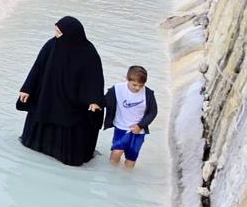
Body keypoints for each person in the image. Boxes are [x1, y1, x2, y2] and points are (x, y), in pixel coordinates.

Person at [17, 16, 106, 165]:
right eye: (56, 31)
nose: (56, 35)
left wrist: (94, 100)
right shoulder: (52, 45)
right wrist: (27, 88)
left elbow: (95, 78)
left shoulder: (89, 53)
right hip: (49, 97)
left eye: (59, 32)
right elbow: (37, 68)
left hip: (73, 103)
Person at [104, 65, 159, 168]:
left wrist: (140, 126)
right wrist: (94, 103)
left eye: (141, 85)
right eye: (134, 85)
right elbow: (105, 101)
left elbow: (153, 112)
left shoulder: (148, 94)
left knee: (131, 159)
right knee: (116, 152)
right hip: (121, 127)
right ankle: (111, 176)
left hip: (138, 131)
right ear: (127, 79)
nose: (137, 88)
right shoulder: (117, 89)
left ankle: (125, 180)